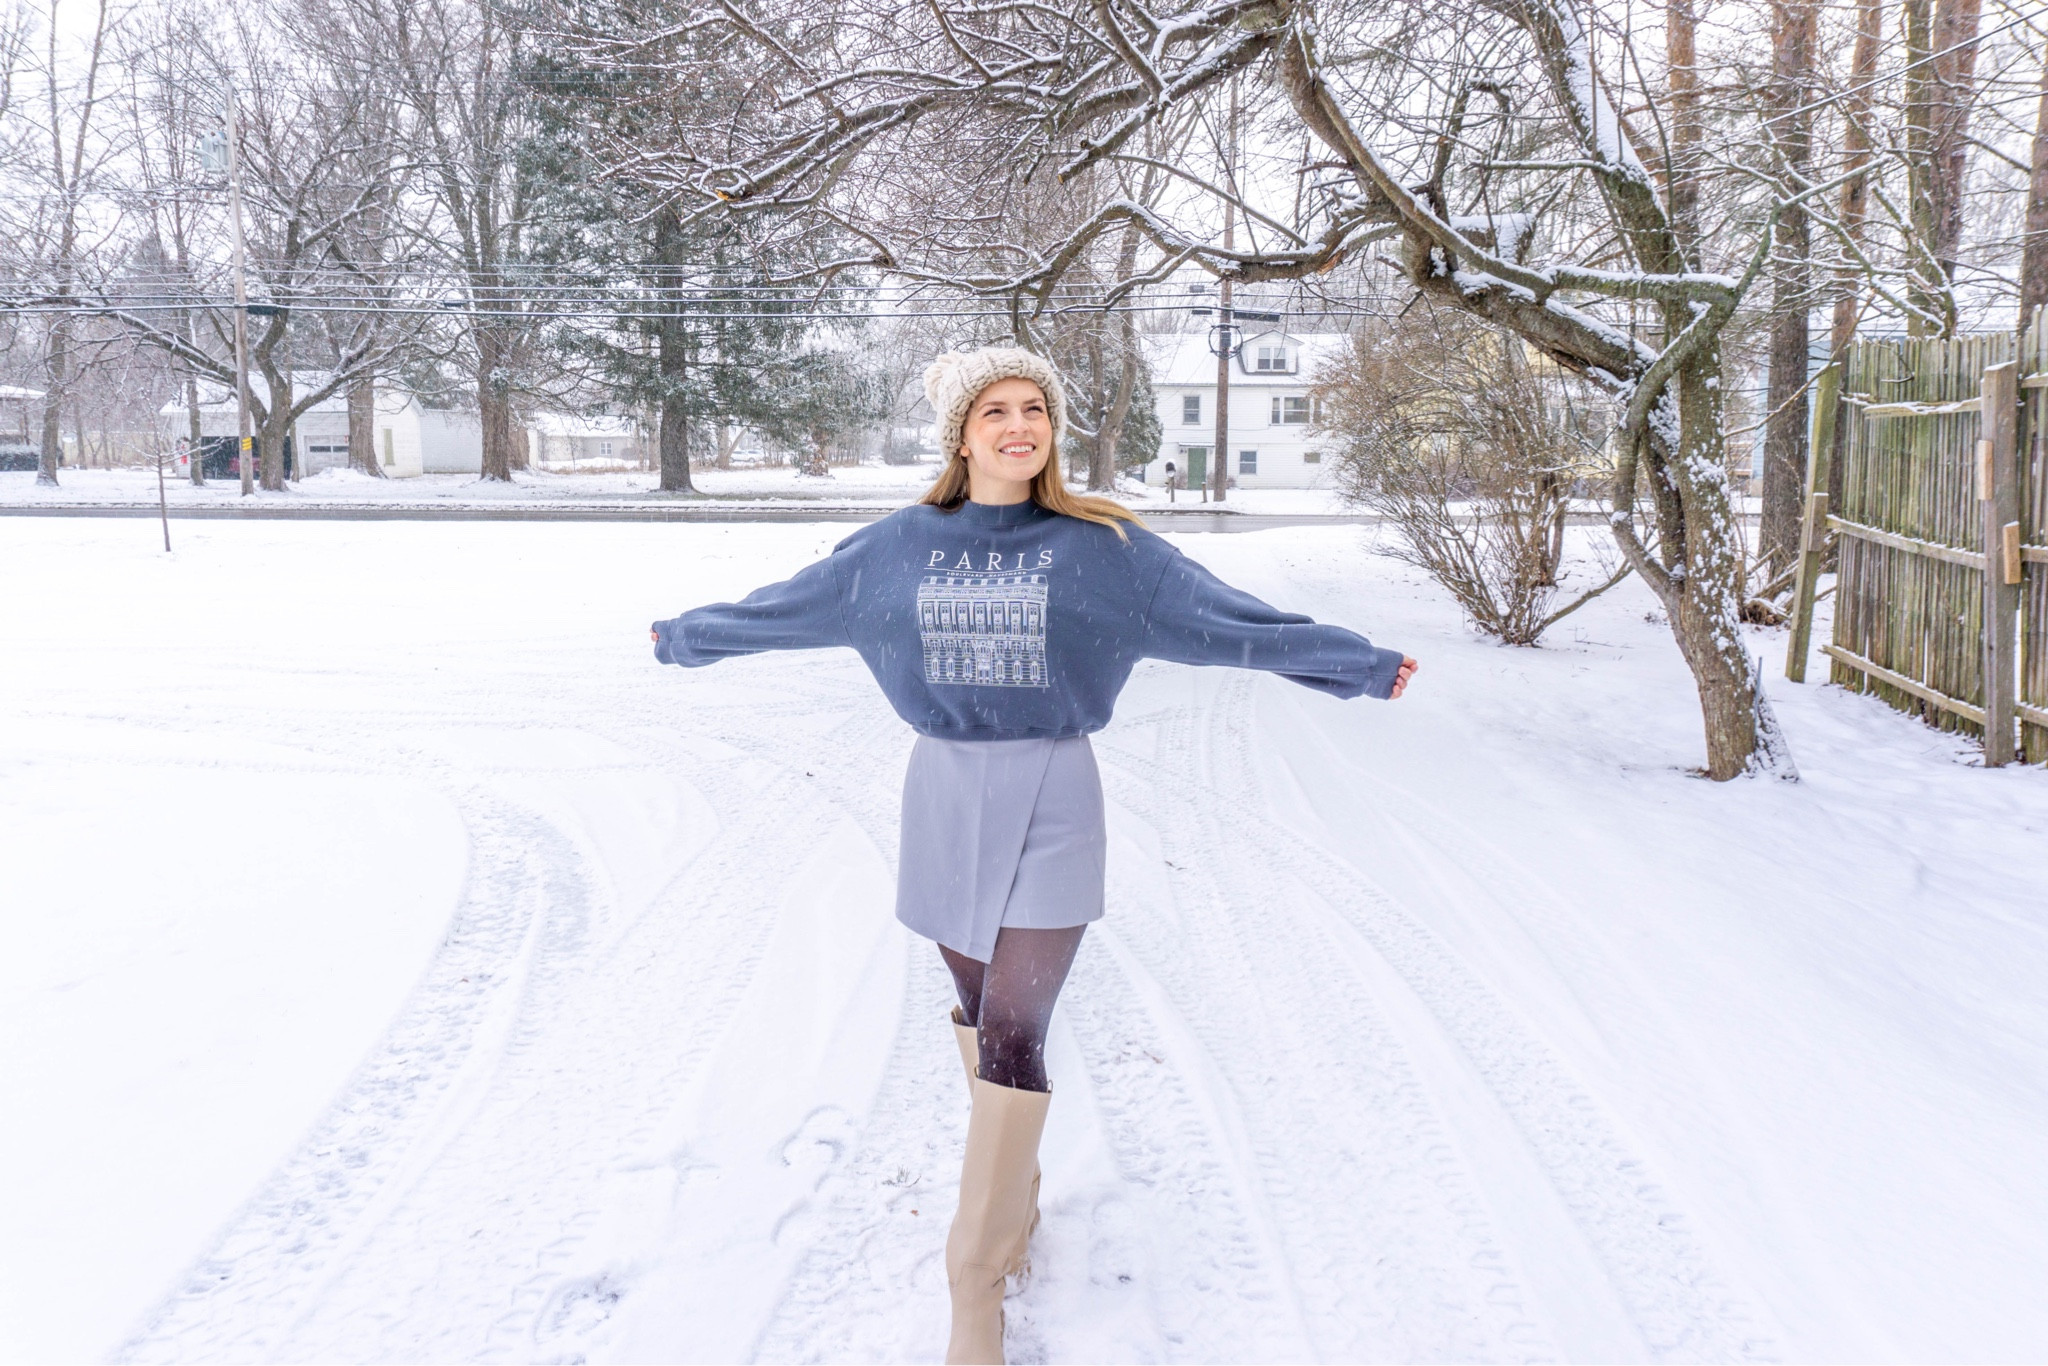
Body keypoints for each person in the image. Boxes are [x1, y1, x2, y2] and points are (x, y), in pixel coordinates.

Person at [650, 347, 1417, 1364]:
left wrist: (1353, 664)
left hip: (1054, 790)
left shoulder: (1103, 548)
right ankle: (1015, 1206)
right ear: (960, 434)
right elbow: (779, 609)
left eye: (1035, 410)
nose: (1020, 427)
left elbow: (1225, 622)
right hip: (942, 794)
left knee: (1015, 1024)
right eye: (996, 411)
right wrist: (685, 636)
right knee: (980, 1021)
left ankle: (973, 1280)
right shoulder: (895, 548)